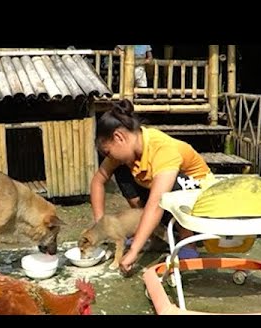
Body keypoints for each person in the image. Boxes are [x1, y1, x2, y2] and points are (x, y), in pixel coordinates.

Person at [90, 99, 213, 274]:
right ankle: (153, 234)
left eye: (107, 152)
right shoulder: (129, 150)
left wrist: (133, 251)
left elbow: (156, 203)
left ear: (119, 137)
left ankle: (188, 243)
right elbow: (98, 181)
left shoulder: (162, 149)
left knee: (175, 181)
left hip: (199, 207)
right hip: (166, 203)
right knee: (123, 172)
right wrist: (100, 224)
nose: (108, 156)